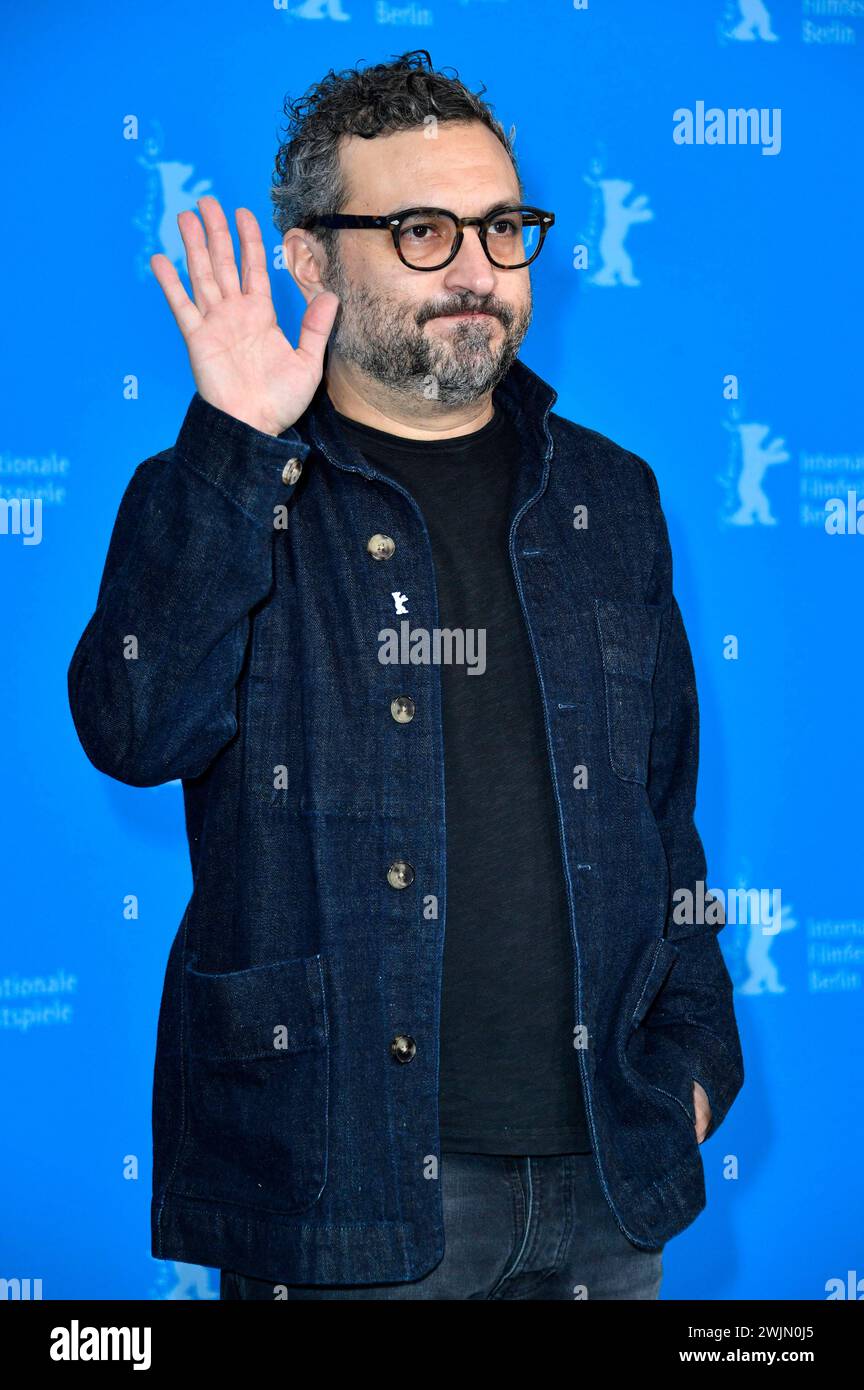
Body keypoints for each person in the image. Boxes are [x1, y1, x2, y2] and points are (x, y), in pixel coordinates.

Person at [67, 50, 744, 1301]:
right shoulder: (220, 490)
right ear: (312, 259)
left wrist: (695, 1063)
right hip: (344, 1191)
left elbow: (665, 817)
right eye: (422, 230)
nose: (476, 269)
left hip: (609, 1181)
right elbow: (134, 729)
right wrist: (235, 446)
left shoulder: (610, 496)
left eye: (502, 227)